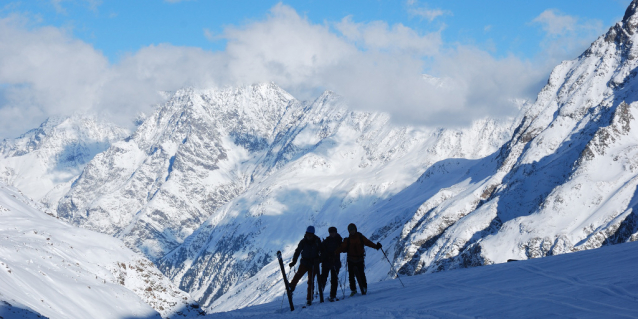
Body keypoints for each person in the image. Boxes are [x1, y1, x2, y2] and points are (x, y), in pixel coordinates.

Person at [336, 223, 381, 296]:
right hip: (355, 259)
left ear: (355, 229)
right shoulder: (352, 239)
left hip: (356, 259)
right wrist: (334, 252)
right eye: (351, 230)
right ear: (349, 231)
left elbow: (367, 242)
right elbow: (341, 248)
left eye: (353, 230)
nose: (352, 231)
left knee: (361, 274)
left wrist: (375, 246)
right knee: (351, 276)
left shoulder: (358, 237)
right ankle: (355, 290)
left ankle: (363, 288)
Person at [289, 226, 322, 306]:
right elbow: (297, 251)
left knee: (310, 281)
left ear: (313, 234)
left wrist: (319, 259)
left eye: (310, 234)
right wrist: (294, 261)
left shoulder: (317, 241)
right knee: (298, 275)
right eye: (308, 234)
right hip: (305, 262)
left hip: (313, 263)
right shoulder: (303, 242)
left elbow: (321, 251)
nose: (309, 236)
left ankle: (309, 299)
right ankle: (291, 287)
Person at [319, 226, 343, 302]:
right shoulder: (336, 240)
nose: (332, 233)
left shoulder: (337, 240)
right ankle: (323, 294)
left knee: (333, 279)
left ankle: (332, 295)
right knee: (325, 278)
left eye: (333, 232)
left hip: (331, 262)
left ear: (335, 232)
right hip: (330, 262)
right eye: (331, 232)